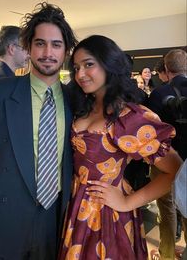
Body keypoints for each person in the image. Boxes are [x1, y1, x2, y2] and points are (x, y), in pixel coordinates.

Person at [0, 2, 77, 260]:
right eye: (40, 43)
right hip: (5, 216)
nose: (48, 52)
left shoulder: (77, 99)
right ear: (28, 47)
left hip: (56, 219)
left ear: (65, 51)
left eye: (56, 44)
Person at [58, 35, 182, 260]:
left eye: (88, 64)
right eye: (76, 67)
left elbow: (174, 169)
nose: (80, 74)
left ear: (109, 64)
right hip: (75, 204)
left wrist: (127, 201)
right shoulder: (83, 106)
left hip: (105, 213)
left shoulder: (128, 117)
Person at [148, 49, 187, 260]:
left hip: (164, 160)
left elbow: (148, 131)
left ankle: (167, 254)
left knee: (167, 208)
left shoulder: (159, 94)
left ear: (165, 68)